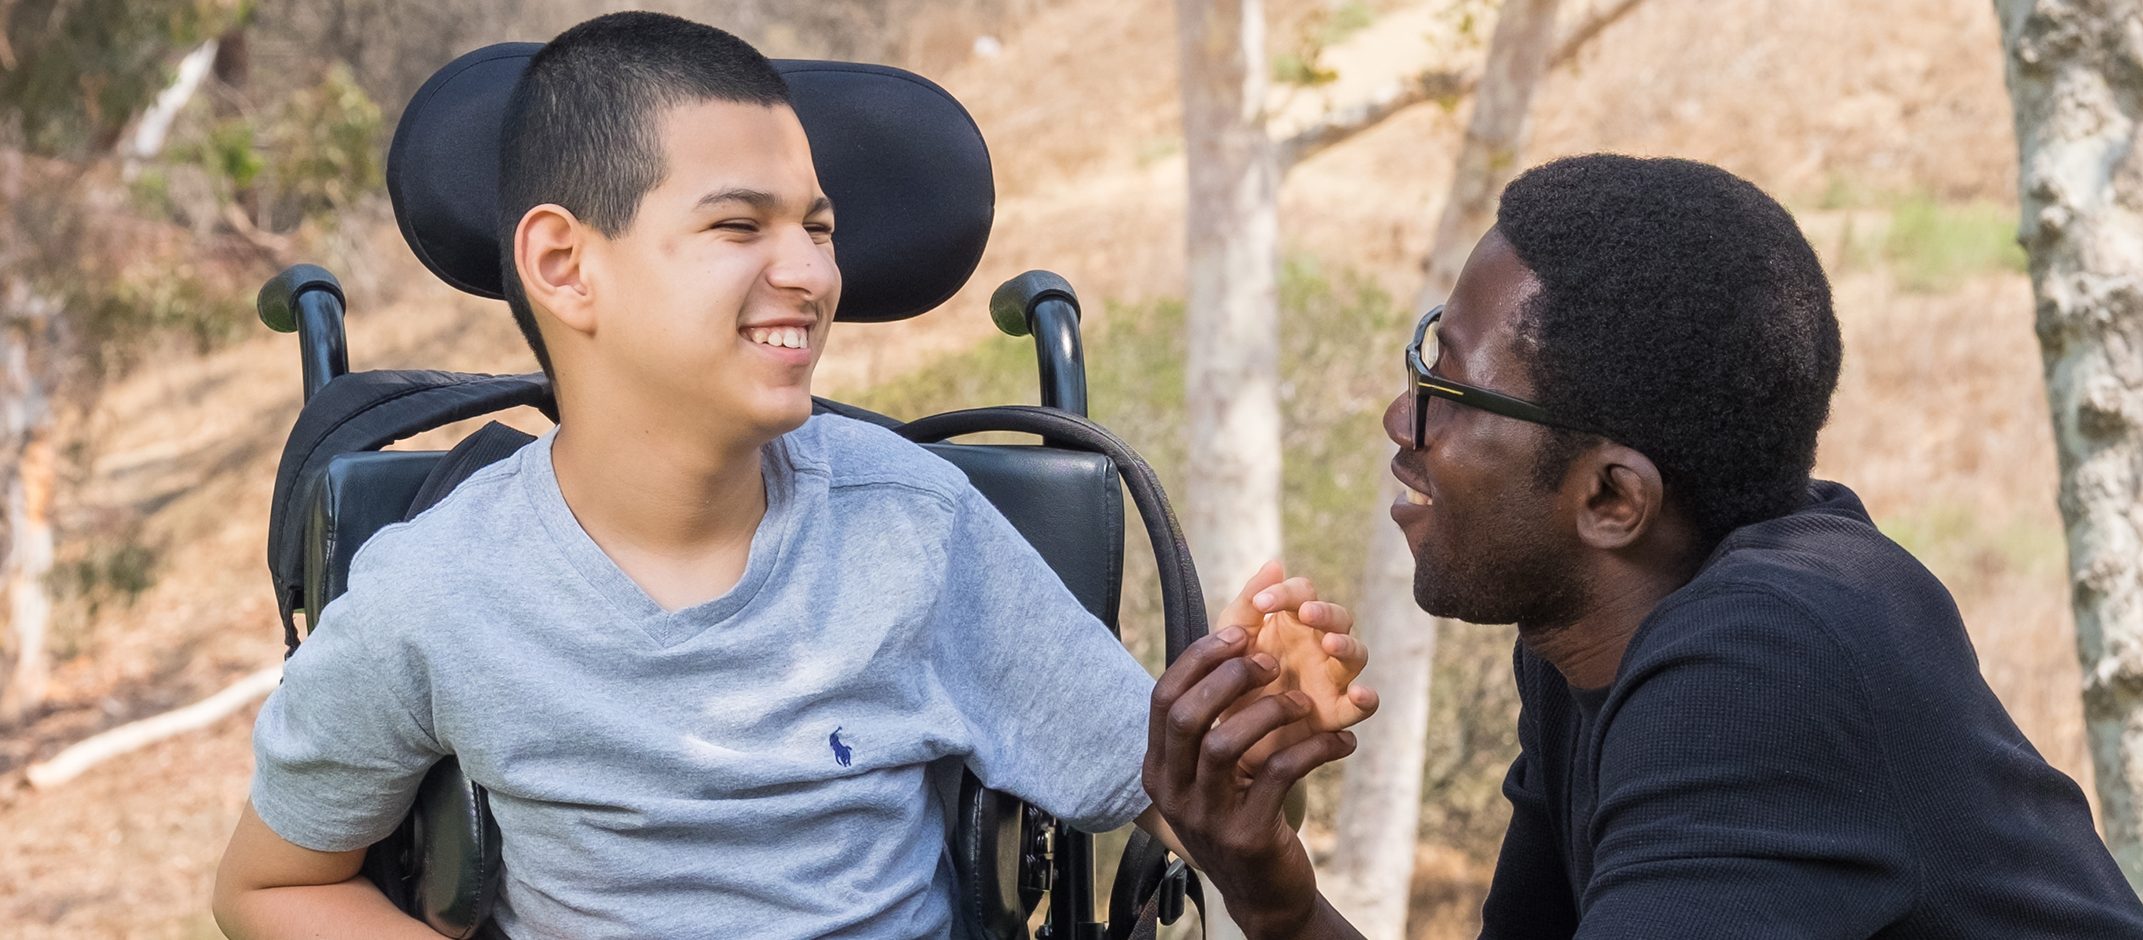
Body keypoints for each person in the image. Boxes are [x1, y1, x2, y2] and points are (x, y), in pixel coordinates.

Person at [211, 13, 1373, 938]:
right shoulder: (439, 593)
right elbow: (268, 886)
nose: (811, 271)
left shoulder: (912, 527)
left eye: (817, 227)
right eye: (738, 226)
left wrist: (1250, 743)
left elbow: (1172, 810)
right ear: (566, 265)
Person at [1144, 154, 2143, 938]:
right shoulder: (1591, 636)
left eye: (1446, 390)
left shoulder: (1763, 666)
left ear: (1612, 498)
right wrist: (1275, 896)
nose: (1399, 420)